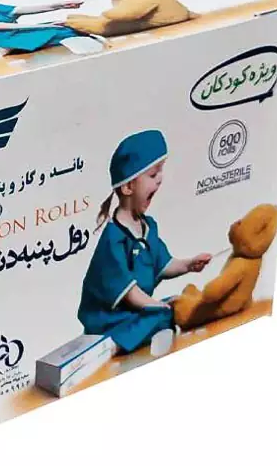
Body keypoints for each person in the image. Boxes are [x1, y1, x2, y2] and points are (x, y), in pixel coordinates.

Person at [77, 130, 212, 353]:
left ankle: (147, 337)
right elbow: (130, 294)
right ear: (127, 187)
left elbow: (164, 264)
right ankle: (113, 345)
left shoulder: (148, 227)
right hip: (109, 320)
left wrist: (188, 265)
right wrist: (158, 306)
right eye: (152, 174)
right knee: (163, 312)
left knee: (171, 305)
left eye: (161, 172)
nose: (160, 179)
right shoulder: (113, 238)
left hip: (136, 311)